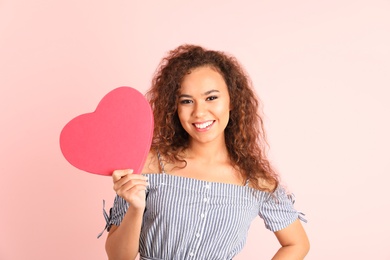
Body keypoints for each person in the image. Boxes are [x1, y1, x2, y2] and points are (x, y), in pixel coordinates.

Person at [102, 44, 310, 259]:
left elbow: (296, 244)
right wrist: (136, 208)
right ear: (175, 108)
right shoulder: (147, 164)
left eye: (211, 98)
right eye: (186, 101)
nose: (199, 112)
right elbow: (118, 257)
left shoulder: (256, 181)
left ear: (232, 101)